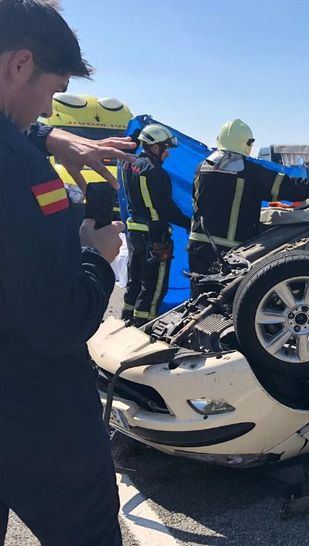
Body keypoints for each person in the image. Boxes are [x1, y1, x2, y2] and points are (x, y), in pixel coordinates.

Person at [0, 1, 132, 543]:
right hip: (36, 413)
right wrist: (96, 257)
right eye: (52, 92)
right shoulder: (21, 172)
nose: (47, 109)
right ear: (20, 65)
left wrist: (48, 137)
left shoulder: (24, 146)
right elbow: (57, 321)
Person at [187, 119, 309, 294]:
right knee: (229, 302)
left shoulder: (201, 169)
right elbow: (289, 186)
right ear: (246, 143)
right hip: (229, 251)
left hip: (198, 245)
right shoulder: (249, 172)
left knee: (199, 300)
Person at [122, 123, 190, 325]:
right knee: (153, 284)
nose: (167, 154)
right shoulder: (156, 172)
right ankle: (144, 326)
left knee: (134, 280)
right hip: (155, 235)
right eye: (165, 148)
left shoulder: (129, 164)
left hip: (135, 232)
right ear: (154, 146)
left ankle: (126, 319)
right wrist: (190, 223)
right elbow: (167, 209)